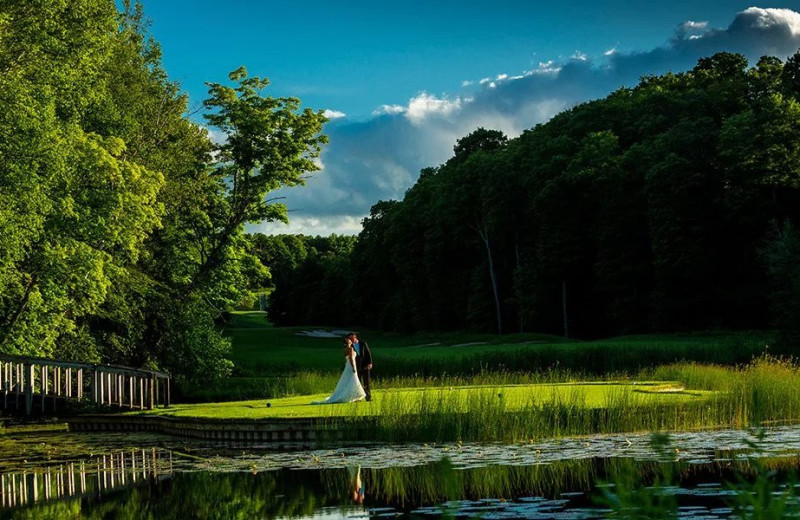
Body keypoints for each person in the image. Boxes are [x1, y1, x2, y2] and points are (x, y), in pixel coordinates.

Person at [311, 337, 366, 404]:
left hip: (347, 365)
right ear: (348, 342)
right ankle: (354, 396)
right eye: (349, 340)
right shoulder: (351, 349)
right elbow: (351, 358)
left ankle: (354, 396)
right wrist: (353, 367)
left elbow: (346, 359)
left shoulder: (345, 350)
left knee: (349, 380)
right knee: (353, 380)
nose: (351, 340)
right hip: (351, 365)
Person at [348, 332, 372, 402]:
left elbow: (368, 353)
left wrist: (370, 363)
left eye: (352, 338)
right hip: (356, 367)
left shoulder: (363, 343)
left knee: (366, 382)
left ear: (355, 337)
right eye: (350, 338)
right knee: (357, 382)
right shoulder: (350, 346)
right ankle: (358, 398)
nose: (351, 339)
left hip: (365, 365)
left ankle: (368, 397)